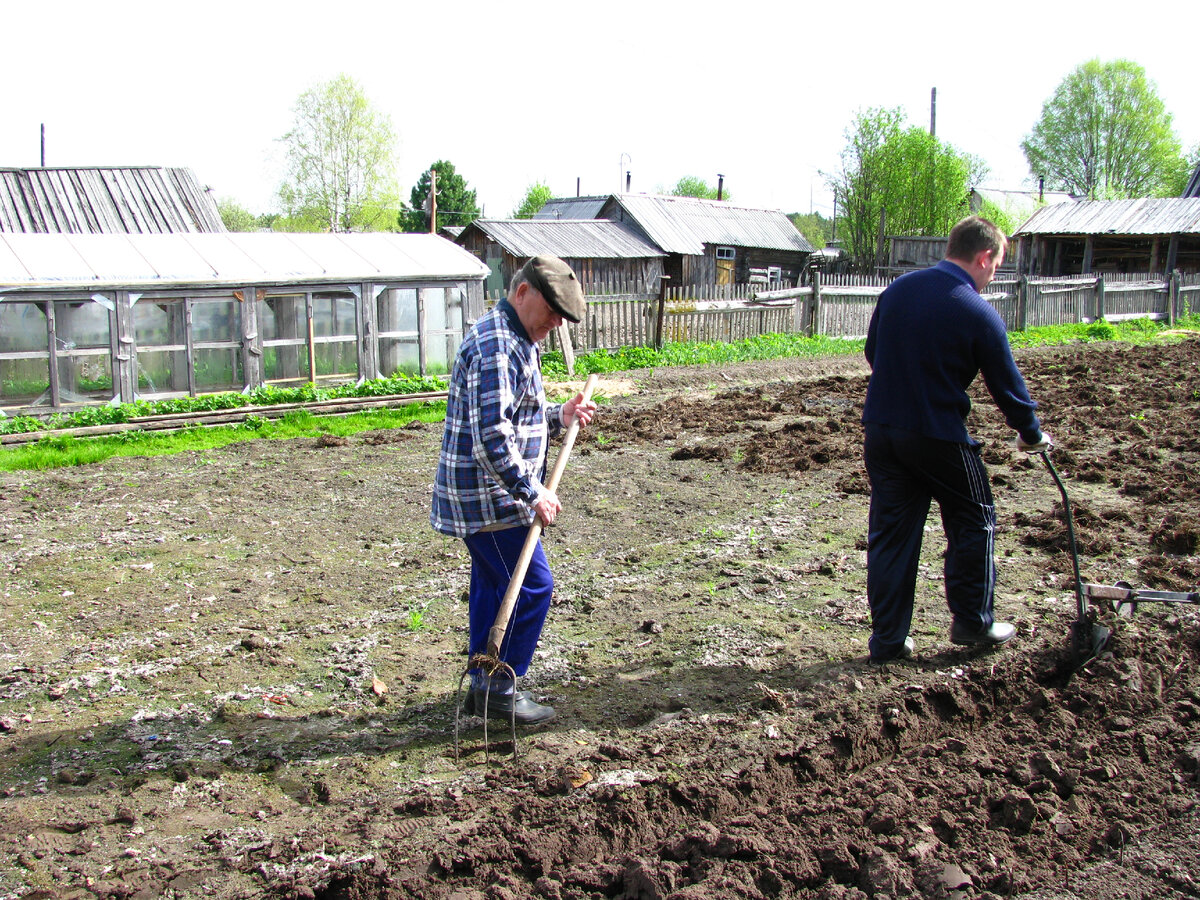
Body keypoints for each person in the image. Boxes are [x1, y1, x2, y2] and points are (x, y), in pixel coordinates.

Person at [862, 216, 1051, 663]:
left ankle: (888, 641)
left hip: (882, 431)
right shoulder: (976, 310)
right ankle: (973, 621)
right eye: (996, 265)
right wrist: (1032, 434)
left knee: (891, 535)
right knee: (975, 515)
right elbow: (1007, 385)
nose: (993, 275)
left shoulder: (898, 291)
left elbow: (874, 351)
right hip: (938, 436)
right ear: (984, 256)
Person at [431, 255, 597, 724]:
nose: (554, 324)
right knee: (533, 587)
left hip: (492, 497)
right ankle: (499, 690)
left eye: (561, 319)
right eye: (551, 313)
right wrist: (533, 492)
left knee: (492, 586)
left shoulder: (518, 338)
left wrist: (558, 416)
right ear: (521, 292)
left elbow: (518, 416)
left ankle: (482, 684)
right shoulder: (498, 345)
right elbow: (492, 436)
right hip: (490, 502)